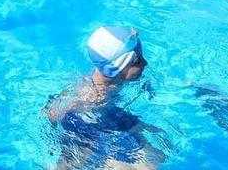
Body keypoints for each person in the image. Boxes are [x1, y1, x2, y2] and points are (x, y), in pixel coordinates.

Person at [45, 26, 162, 169]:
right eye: (137, 61)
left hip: (112, 117)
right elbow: (51, 114)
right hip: (87, 130)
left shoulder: (107, 76)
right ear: (114, 68)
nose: (145, 63)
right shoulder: (92, 96)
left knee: (160, 153)